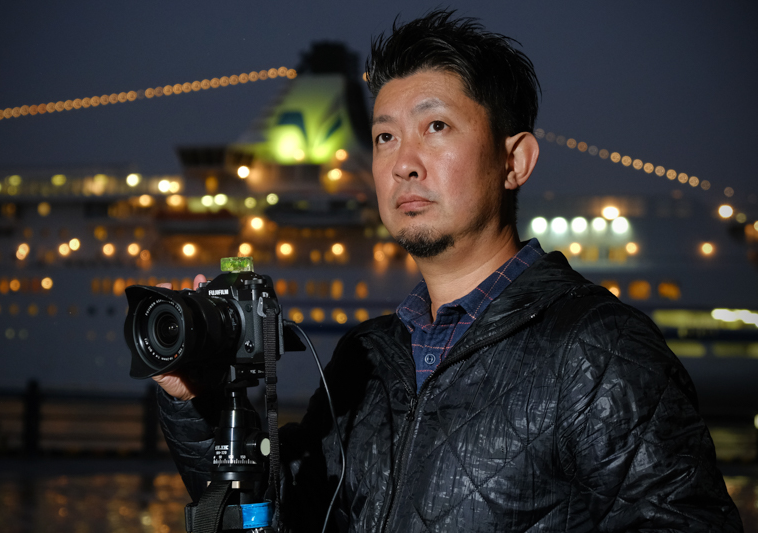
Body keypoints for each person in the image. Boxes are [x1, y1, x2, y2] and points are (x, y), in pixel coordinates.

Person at [155, 10, 743, 532]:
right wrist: (194, 401)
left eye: (435, 127)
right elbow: (278, 515)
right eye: (385, 136)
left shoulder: (599, 350)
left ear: (515, 161)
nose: (403, 164)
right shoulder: (366, 358)